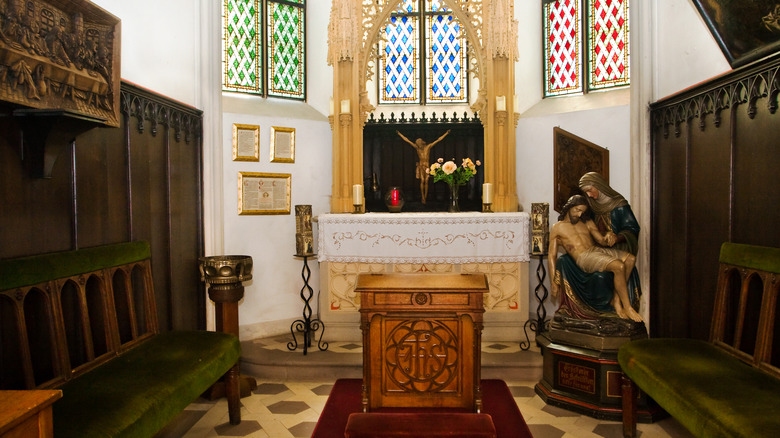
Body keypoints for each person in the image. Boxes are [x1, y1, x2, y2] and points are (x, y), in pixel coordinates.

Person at [549, 195, 643, 322]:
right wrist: (553, 282)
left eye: (582, 211)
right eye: (577, 210)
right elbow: (552, 255)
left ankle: (616, 299)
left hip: (596, 251)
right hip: (584, 257)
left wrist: (609, 236)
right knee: (619, 266)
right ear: (569, 207)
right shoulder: (558, 227)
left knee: (630, 259)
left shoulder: (587, 222)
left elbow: (601, 241)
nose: (579, 214)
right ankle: (627, 307)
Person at [579, 172, 640, 255]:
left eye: (589, 190)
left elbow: (632, 229)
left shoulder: (619, 204)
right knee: (564, 260)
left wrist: (617, 238)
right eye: (586, 192)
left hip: (616, 248)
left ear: (598, 185)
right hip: (596, 246)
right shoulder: (592, 205)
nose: (589, 195)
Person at [396, 129, 451, 204]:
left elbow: (438, 140)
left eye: (418, 143)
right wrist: (399, 134)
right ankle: (423, 197)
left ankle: (425, 196)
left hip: (427, 166)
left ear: (421, 143)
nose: (418, 145)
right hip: (421, 166)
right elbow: (407, 141)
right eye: (417, 144)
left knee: (426, 182)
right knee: (422, 181)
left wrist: (446, 133)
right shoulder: (417, 149)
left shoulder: (428, 147)